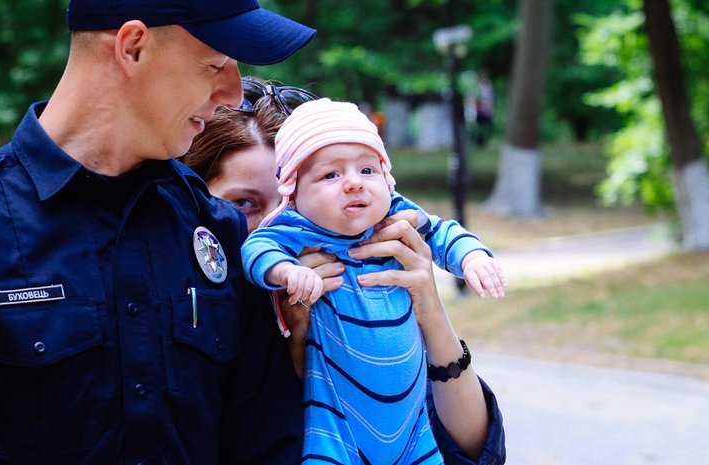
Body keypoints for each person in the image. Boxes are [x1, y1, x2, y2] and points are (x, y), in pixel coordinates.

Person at [0, 1, 317, 464]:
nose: (232, 93)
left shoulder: (216, 228)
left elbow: (265, 445)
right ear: (132, 46)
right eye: (215, 65)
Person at [181, 79, 507, 465]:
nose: (278, 220)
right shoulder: (194, 320)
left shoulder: (371, 260)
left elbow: (472, 452)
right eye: (245, 203)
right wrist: (296, 350)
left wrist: (432, 315)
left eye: (292, 203)